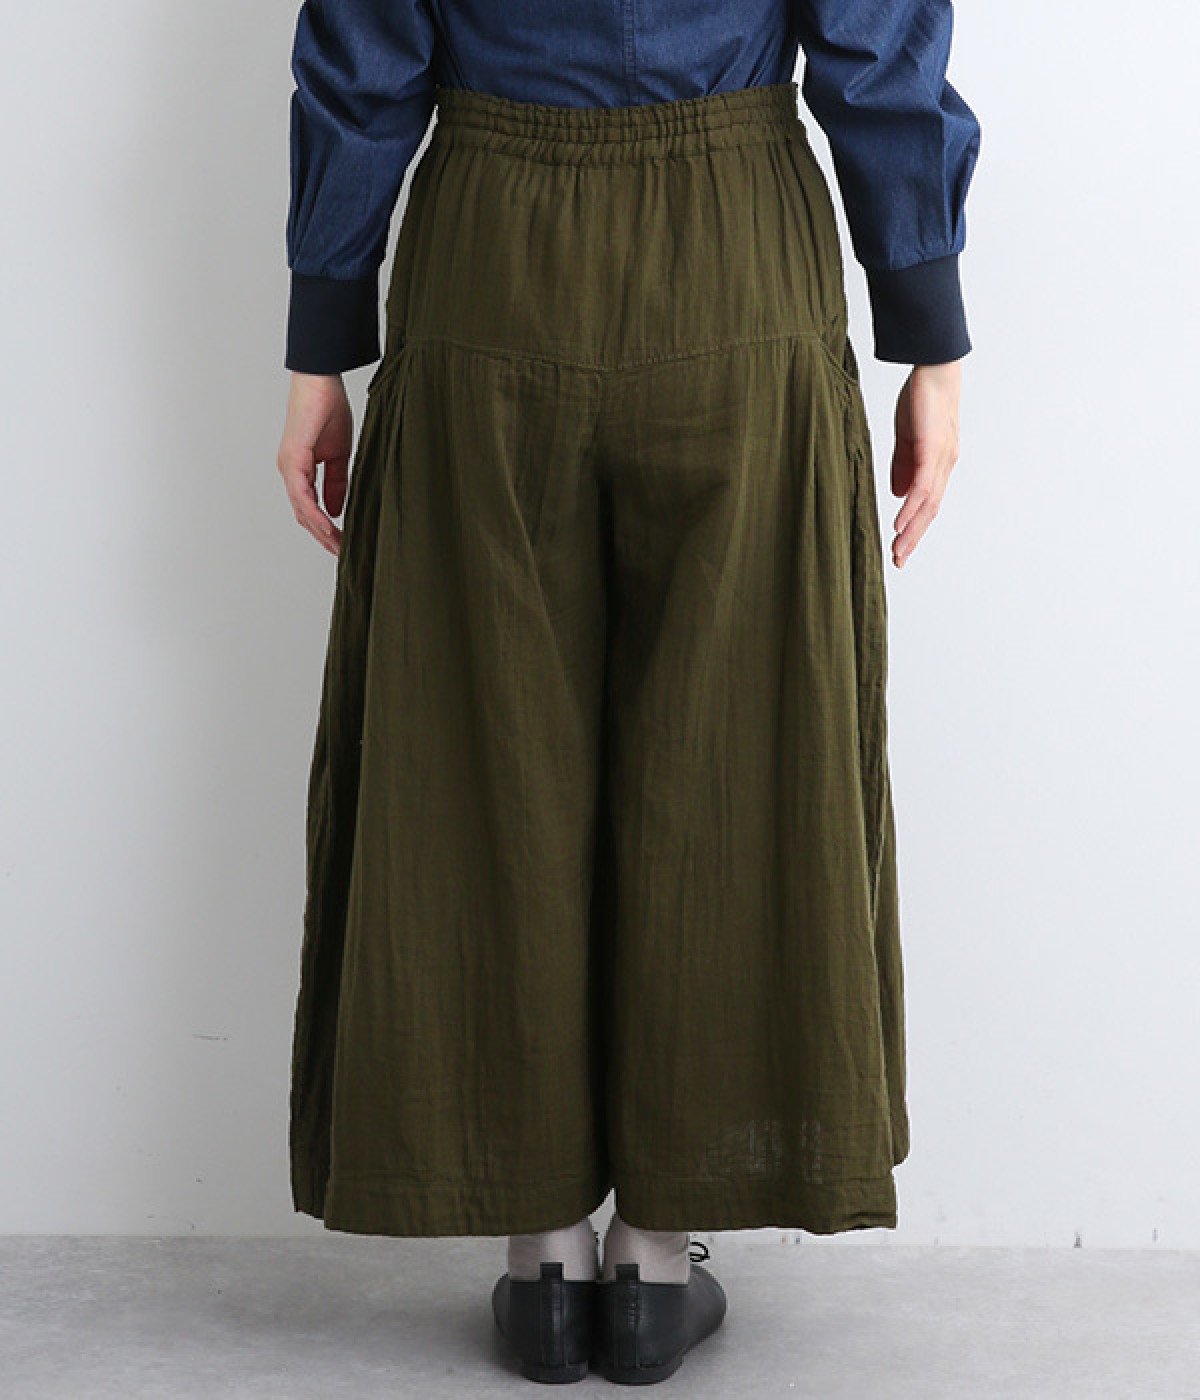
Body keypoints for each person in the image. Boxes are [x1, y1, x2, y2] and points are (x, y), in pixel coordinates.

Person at [274, 0, 980, 1386]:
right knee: (741, 751)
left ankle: (543, 1257)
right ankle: (655, 1264)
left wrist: (319, 341)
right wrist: (930, 330)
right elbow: (876, 44)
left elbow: (363, 53)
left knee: (479, 749)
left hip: (488, 252)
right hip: (737, 258)